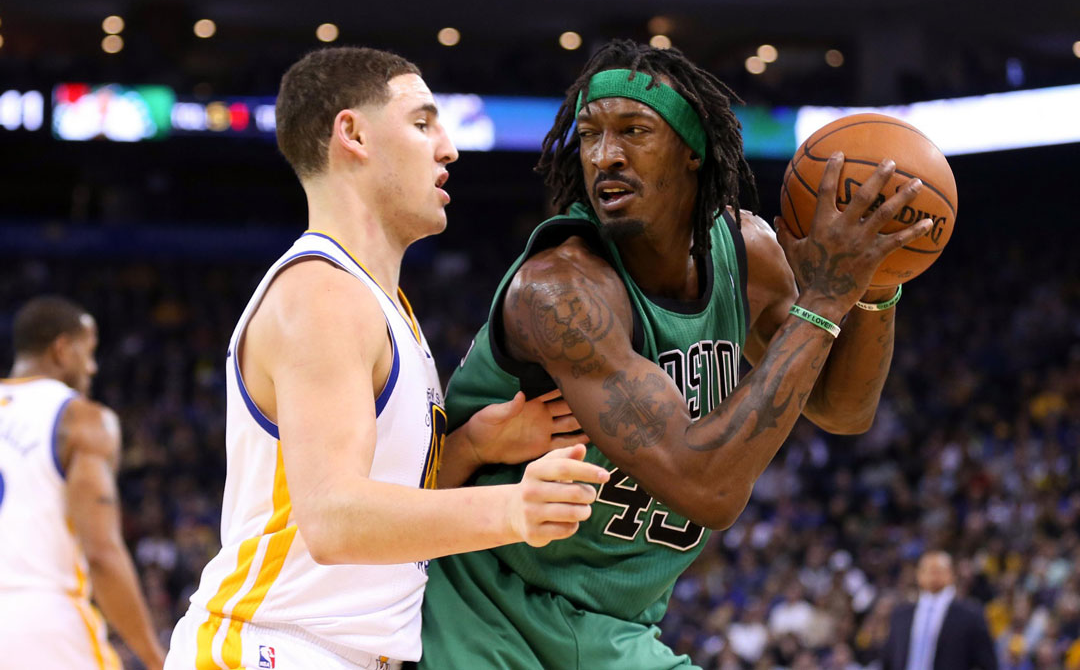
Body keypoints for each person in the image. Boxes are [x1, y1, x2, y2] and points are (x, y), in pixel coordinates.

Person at [420, 38, 934, 668]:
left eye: (634, 131)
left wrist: (875, 285)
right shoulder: (559, 293)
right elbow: (707, 488)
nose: (605, 155)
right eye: (589, 135)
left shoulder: (748, 253)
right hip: (484, 611)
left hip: (614, 627)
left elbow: (842, 409)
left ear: (694, 151)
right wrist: (825, 300)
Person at [163, 47, 609, 670]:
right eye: (422, 123)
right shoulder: (322, 294)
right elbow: (334, 522)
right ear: (353, 134)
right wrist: (513, 509)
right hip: (268, 646)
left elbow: (375, 508)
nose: (449, 149)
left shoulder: (380, 302)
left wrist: (473, 447)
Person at [0, 296, 166, 669]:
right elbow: (101, 553)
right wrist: (155, 657)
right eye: (88, 353)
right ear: (62, 349)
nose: (92, 368)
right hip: (40, 623)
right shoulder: (81, 420)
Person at [881, 551, 998, 670]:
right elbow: (888, 660)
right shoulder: (900, 615)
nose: (932, 575)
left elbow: (986, 662)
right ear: (918, 575)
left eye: (937, 570)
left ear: (951, 574)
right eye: (926, 570)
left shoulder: (970, 614)